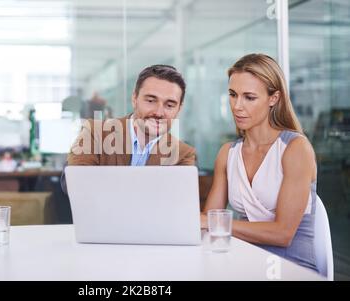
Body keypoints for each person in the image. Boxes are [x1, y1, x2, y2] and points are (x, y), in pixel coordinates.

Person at [202, 53, 318, 272]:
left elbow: (282, 234)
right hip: (245, 262)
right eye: (233, 95)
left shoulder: (295, 149)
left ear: (273, 98)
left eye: (249, 97)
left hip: (291, 267)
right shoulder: (227, 153)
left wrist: (213, 223)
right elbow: (210, 221)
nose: (237, 106)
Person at [61, 64, 197, 192]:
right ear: (134, 99)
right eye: (150, 101)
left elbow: (175, 201)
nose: (159, 112)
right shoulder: (95, 133)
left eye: (169, 105)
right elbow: (74, 185)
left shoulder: (183, 154)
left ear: (179, 108)